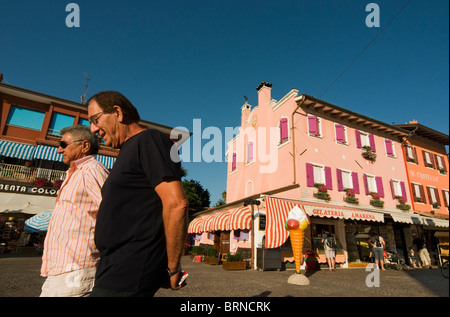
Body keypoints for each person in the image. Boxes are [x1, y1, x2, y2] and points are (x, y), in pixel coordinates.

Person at [87, 91, 189, 297]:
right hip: (113, 266)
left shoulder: (151, 140)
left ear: (118, 112)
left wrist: (172, 268)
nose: (93, 129)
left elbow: (177, 204)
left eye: (95, 120)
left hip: (130, 268)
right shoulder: (127, 150)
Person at [40, 125, 109, 297]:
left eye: (63, 144)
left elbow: (113, 214)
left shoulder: (92, 170)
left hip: (76, 270)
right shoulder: (75, 173)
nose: (58, 150)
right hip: (61, 269)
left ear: (84, 146)